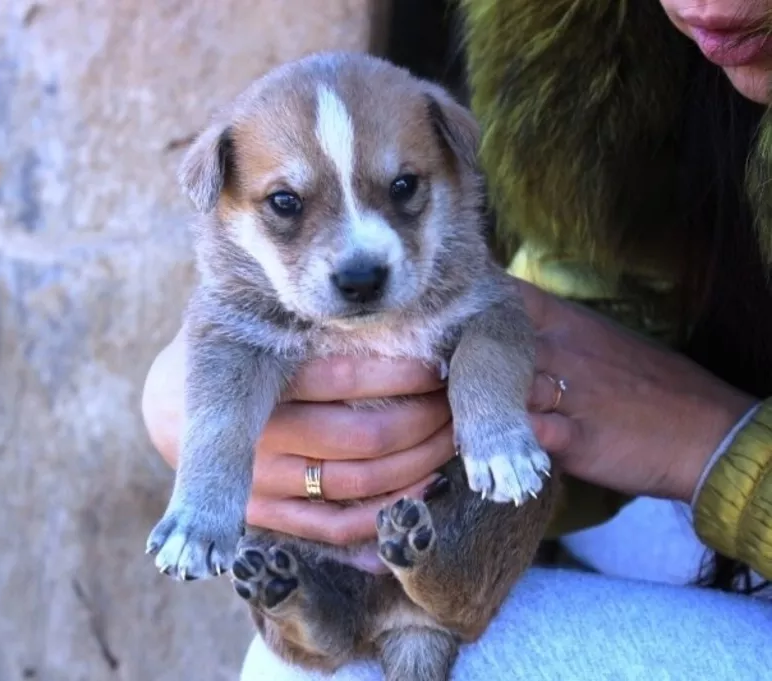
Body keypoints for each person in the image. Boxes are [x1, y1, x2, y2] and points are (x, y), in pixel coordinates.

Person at [141, 0, 772, 677]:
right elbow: (613, 288)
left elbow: (499, 337)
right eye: (288, 207)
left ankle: (417, 609)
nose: (358, 255)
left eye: (404, 189)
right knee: (301, 653)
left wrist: (716, 449)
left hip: (485, 549)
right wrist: (193, 419)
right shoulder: (637, 74)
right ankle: (331, 609)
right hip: (401, 539)